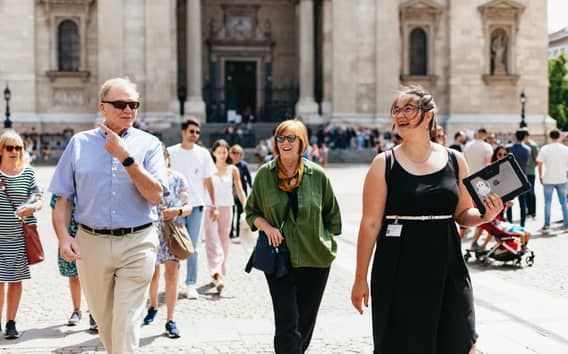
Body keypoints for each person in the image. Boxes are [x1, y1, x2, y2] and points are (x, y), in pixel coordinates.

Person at [350, 86, 503, 354]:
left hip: (447, 265)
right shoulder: (383, 163)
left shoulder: (455, 159)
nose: (400, 115)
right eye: (396, 109)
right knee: (408, 344)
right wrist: (360, 278)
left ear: (429, 115)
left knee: (461, 341)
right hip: (399, 268)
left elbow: (463, 214)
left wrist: (485, 216)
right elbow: (370, 224)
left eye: (408, 108)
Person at [50, 77, 166, 354]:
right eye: (120, 104)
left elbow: (156, 194)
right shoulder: (79, 144)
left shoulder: (150, 145)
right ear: (103, 107)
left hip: (138, 242)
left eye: (133, 104)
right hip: (91, 244)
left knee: (125, 326)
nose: (128, 110)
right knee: (106, 326)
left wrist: (126, 158)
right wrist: (64, 237)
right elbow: (62, 198)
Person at [245, 119, 342, 354]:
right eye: (281, 138)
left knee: (305, 323)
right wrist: (267, 228)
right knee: (287, 322)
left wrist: (320, 239)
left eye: (291, 138)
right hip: (279, 259)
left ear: (303, 143)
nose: (285, 143)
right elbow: (251, 212)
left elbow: (332, 217)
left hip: (315, 258)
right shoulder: (264, 175)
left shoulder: (317, 175)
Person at [143, 144, 192, 338]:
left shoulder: (178, 178)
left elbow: (189, 206)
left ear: (166, 158)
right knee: (152, 275)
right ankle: (153, 306)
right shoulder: (146, 178)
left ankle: (170, 320)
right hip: (151, 231)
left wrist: (177, 211)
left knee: (172, 275)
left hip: (172, 231)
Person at [168, 118, 217, 299]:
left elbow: (208, 180)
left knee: (194, 246)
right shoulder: (171, 152)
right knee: (174, 245)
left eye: (197, 132)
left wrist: (213, 203)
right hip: (176, 207)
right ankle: (174, 279)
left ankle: (191, 283)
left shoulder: (203, 153)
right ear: (183, 132)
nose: (195, 135)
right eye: (191, 131)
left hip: (196, 206)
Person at [0, 130, 43, 339]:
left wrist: (32, 208)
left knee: (15, 282)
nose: (14, 151)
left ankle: (11, 323)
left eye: (18, 148)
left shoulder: (28, 173)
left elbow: (39, 199)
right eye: (10, 147)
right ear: (1, 150)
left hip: (18, 237)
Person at [49, 195, 98, 331]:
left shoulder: (89, 184)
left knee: (93, 277)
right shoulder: (62, 189)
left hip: (90, 236)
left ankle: (94, 312)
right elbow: (55, 215)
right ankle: (76, 310)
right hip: (69, 236)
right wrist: (62, 239)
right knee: (74, 276)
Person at [204, 140, 246, 293]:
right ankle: (216, 271)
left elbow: (240, 190)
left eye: (224, 152)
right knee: (212, 240)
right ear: (213, 153)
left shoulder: (233, 169)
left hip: (227, 208)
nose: (222, 155)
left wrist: (246, 206)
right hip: (210, 208)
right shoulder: (207, 169)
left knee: (224, 240)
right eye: (219, 152)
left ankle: (220, 269)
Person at [536, 129, 568, 231]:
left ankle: (547, 225)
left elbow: (540, 164)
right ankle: (567, 224)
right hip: (562, 178)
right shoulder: (565, 149)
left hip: (548, 179)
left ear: (550, 137)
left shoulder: (545, 148)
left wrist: (540, 176)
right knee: (564, 203)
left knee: (547, 203)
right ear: (559, 137)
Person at [506, 129, 530, 227]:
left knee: (509, 202)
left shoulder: (508, 148)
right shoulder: (527, 149)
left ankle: (510, 223)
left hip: (510, 177)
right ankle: (522, 224)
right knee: (522, 203)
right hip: (522, 176)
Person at [229, 144, 252, 239]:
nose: (236, 155)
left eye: (238, 153)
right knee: (231, 212)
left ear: (241, 154)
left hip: (241, 191)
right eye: (234, 153)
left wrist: (251, 187)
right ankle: (230, 232)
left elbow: (249, 178)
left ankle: (238, 231)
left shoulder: (244, 165)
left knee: (239, 212)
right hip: (230, 191)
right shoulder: (228, 165)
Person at [524, 131, 539, 218]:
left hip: (530, 172)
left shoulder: (533, 145)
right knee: (526, 192)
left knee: (531, 192)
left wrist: (532, 166)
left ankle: (533, 211)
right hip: (524, 171)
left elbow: (536, 159)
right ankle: (528, 210)